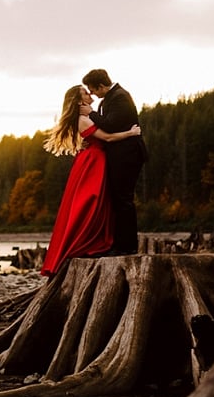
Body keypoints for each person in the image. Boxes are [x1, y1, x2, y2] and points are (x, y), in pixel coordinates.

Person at [41, 85, 141, 277]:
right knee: (90, 203)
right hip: (93, 163)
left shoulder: (88, 117)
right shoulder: (83, 120)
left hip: (95, 161)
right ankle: (86, 242)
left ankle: (100, 241)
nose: (90, 94)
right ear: (80, 101)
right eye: (86, 93)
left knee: (99, 203)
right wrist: (131, 133)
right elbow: (108, 137)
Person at [80, 69, 149, 256]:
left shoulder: (119, 97)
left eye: (93, 90)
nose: (92, 94)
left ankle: (127, 247)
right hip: (120, 155)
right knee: (118, 200)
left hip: (127, 155)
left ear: (101, 86)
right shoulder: (112, 97)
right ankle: (119, 244)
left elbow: (110, 125)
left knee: (123, 200)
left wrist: (91, 113)